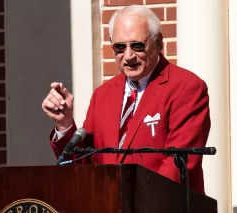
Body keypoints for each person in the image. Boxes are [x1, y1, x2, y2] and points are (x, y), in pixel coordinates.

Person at [41, 5, 210, 194]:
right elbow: (85, 165)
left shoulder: (186, 87)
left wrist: (131, 204)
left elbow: (177, 166)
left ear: (158, 43)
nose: (128, 56)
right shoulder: (103, 95)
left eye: (137, 45)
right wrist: (64, 125)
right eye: (120, 47)